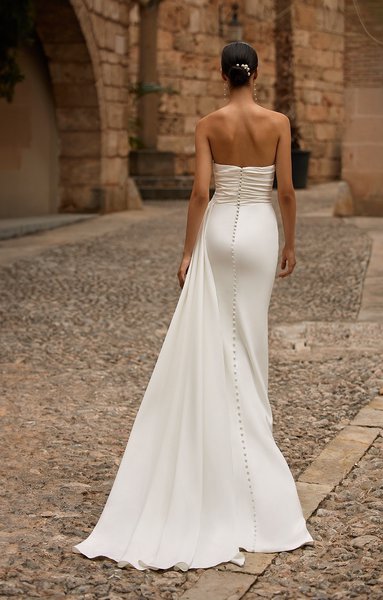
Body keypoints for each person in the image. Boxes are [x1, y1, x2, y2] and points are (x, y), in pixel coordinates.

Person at [73, 40, 313, 572]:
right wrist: (291, 242)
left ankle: (220, 448)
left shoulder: (208, 124)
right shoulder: (278, 121)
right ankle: (254, 470)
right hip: (258, 234)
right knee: (248, 344)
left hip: (220, 235)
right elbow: (288, 191)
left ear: (221, 74)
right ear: (257, 73)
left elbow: (201, 193)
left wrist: (188, 251)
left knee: (214, 340)